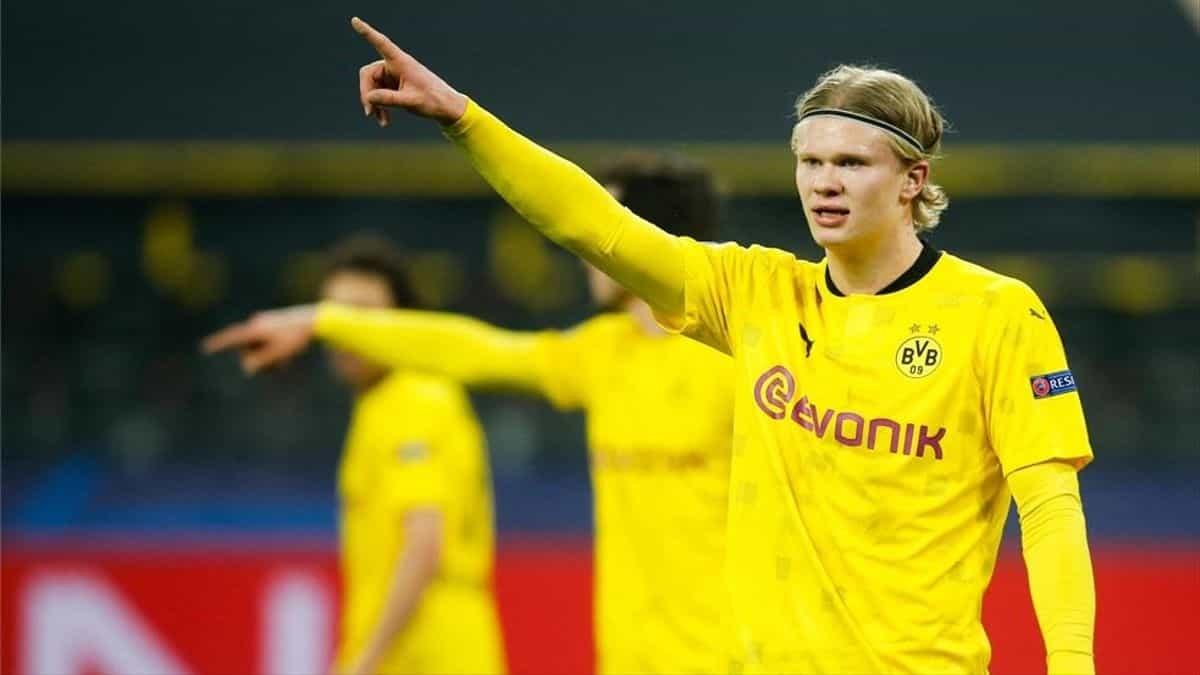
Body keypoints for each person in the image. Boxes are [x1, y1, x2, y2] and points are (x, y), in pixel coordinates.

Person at [344, 17, 1097, 674]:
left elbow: (1050, 510)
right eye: (810, 161)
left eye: (851, 163)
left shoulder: (997, 314)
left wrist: (1071, 664)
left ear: (912, 180)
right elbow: (594, 226)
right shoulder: (756, 296)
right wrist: (462, 118)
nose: (824, 183)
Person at [204, 156, 736, 674]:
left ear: (646, 238)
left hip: (727, 658)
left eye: (603, 226)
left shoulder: (734, 361)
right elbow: (473, 349)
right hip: (627, 659)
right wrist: (322, 321)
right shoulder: (600, 354)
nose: (584, 249)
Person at [205, 234, 505, 675]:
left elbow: (423, 542)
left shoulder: (415, 398)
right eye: (336, 317)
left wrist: (366, 659)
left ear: (402, 324)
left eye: (363, 315)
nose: (347, 333)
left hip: (429, 656)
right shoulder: (379, 405)